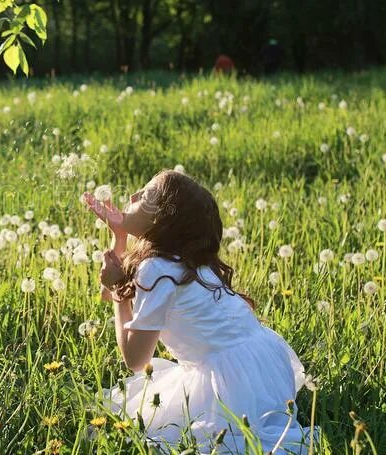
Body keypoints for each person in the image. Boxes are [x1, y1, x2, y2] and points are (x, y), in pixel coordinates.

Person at [82, 170, 318, 454]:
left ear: (162, 219)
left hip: (228, 386)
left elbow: (135, 359)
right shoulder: (190, 260)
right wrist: (119, 237)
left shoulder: (155, 268)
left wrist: (121, 291)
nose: (132, 197)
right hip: (264, 366)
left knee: (160, 423)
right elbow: (109, 290)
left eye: (145, 195)